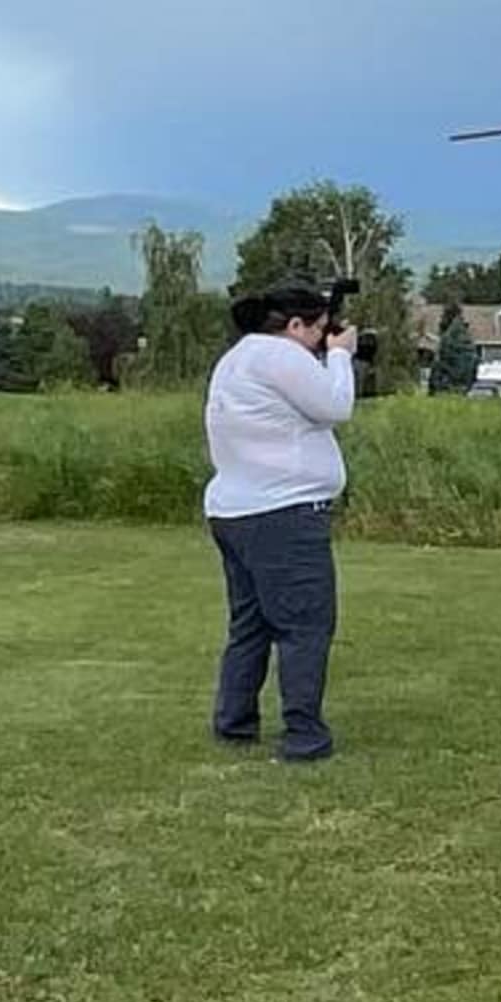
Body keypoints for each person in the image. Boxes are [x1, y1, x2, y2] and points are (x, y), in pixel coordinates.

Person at [198, 277, 359, 759]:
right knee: (305, 626)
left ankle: (235, 721)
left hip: (234, 509)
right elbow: (335, 406)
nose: (323, 340)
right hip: (284, 511)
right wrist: (342, 356)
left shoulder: (238, 358)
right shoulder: (281, 356)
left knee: (250, 624)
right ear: (295, 325)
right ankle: (304, 735)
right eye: (319, 331)